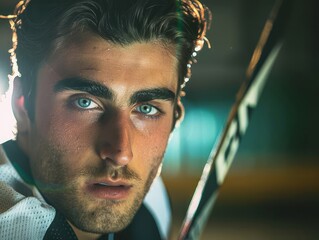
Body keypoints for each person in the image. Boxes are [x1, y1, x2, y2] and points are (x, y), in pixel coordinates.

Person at [0, 0, 210, 239]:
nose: (121, 154)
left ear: (175, 117)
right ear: (22, 104)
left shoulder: (151, 204)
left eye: (147, 108)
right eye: (85, 102)